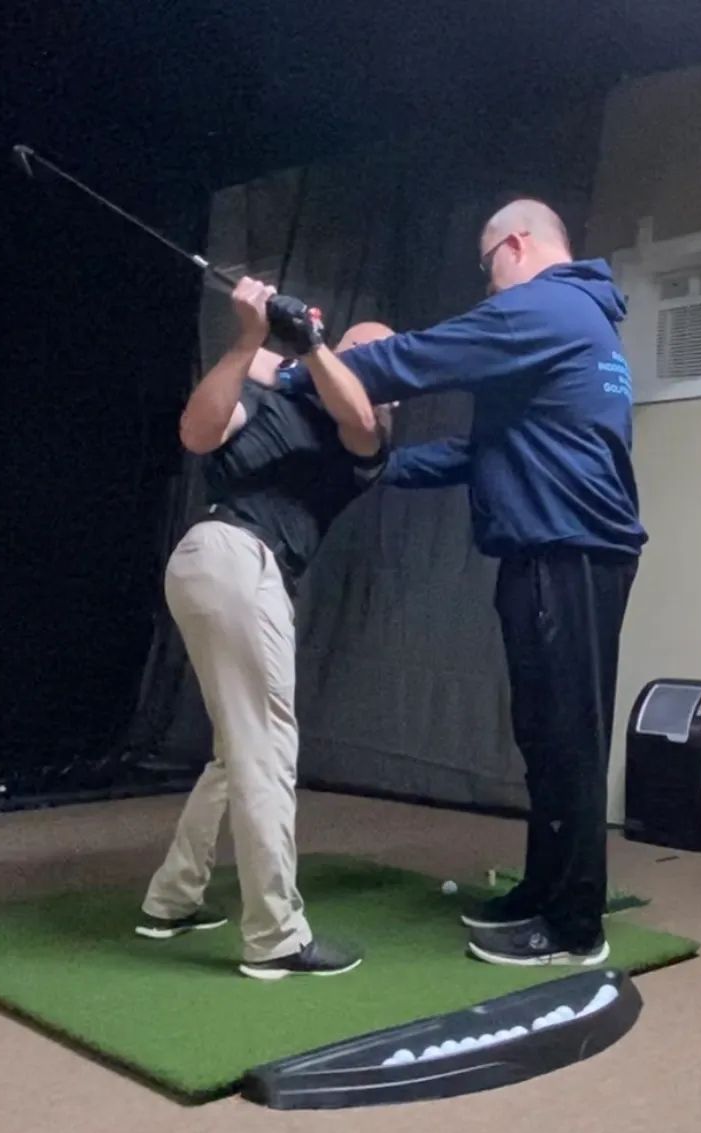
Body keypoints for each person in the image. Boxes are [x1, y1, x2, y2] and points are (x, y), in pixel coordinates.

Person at [278, 199, 647, 967]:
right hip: (552, 553)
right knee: (543, 738)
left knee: (567, 743)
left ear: (514, 245)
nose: (486, 287)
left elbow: (414, 359)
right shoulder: (576, 317)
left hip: (567, 552)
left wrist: (299, 363)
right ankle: (542, 891)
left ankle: (575, 925)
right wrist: (373, 467)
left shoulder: (543, 307)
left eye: (486, 269)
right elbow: (482, 453)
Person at [135, 276, 394, 980]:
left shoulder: (362, 438)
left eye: (377, 364)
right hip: (222, 556)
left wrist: (304, 344)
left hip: (235, 568)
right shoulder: (276, 401)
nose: (363, 368)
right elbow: (196, 431)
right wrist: (248, 337)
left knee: (236, 751)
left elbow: (363, 418)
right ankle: (275, 936)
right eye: (354, 352)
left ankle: (172, 897)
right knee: (266, 750)